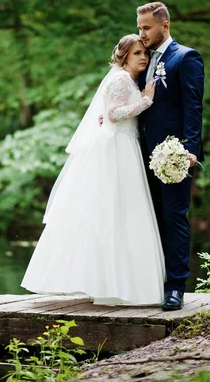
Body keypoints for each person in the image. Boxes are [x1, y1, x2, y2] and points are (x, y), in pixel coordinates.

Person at [21, 34, 166, 306]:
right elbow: (113, 114)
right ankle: (114, 285)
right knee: (115, 212)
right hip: (117, 149)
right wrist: (146, 101)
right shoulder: (122, 78)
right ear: (124, 56)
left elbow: (110, 113)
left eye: (144, 53)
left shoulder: (125, 79)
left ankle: (111, 283)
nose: (143, 57)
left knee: (118, 214)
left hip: (123, 145)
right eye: (136, 53)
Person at [136, 2, 205, 311]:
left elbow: (193, 106)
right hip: (138, 153)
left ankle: (175, 287)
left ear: (164, 26)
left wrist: (189, 149)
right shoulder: (141, 57)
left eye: (146, 28)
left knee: (174, 217)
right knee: (147, 219)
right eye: (139, 28)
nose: (142, 33)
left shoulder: (185, 57)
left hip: (172, 154)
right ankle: (150, 283)